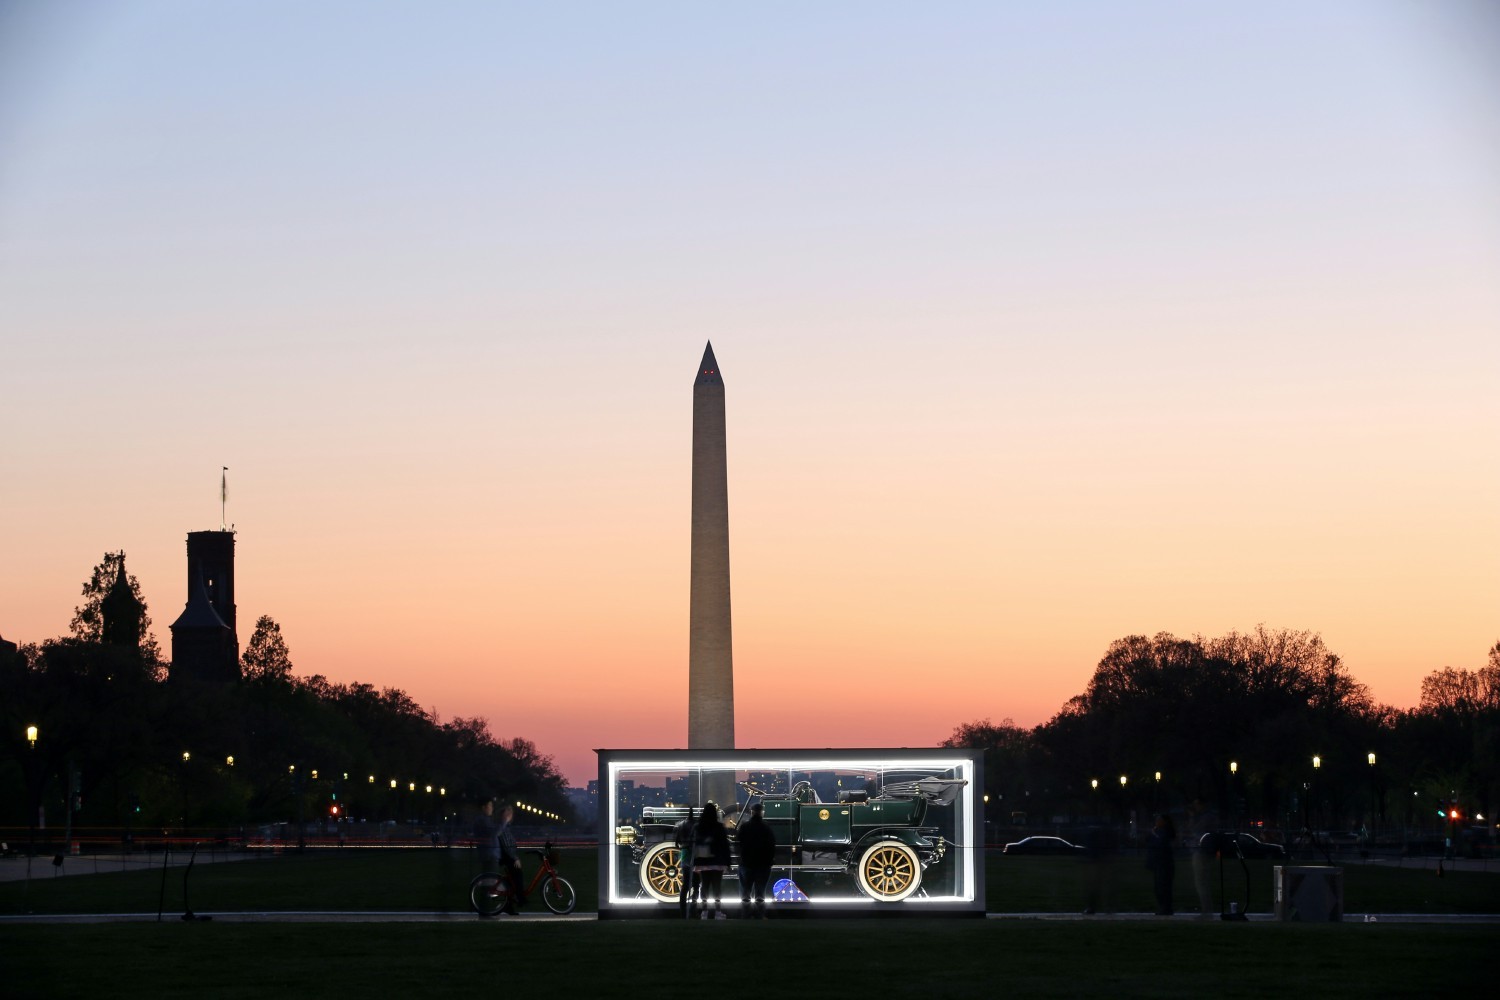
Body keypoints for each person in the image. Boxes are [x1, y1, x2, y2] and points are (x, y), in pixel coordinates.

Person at [692, 801, 732, 919]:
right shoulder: (719, 827)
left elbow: (695, 844)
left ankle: (704, 910)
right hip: (717, 861)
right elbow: (725, 845)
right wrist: (728, 862)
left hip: (703, 861)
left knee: (704, 886)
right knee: (717, 887)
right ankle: (718, 911)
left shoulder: (698, 827)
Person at [736, 802, 776, 918]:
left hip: (746, 863)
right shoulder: (766, 827)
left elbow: (739, 843)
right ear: (762, 812)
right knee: (760, 893)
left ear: (752, 812)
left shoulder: (744, 826)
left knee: (745, 892)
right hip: (763, 864)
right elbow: (771, 846)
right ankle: (759, 915)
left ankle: (745, 915)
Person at [1145, 813, 1176, 915]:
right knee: (1159, 887)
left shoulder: (1164, 832)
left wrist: (1153, 834)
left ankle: (1165, 908)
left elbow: (1161, 843)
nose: (1156, 822)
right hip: (1159, 862)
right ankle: (1164, 907)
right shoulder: (1158, 832)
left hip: (1163, 863)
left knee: (1163, 886)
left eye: (1159, 820)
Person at [673, 807, 698, 917]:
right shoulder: (696, 825)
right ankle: (693, 909)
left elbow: (676, 842)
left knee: (685, 885)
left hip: (684, 854)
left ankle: (683, 911)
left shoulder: (680, 825)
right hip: (695, 855)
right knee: (696, 885)